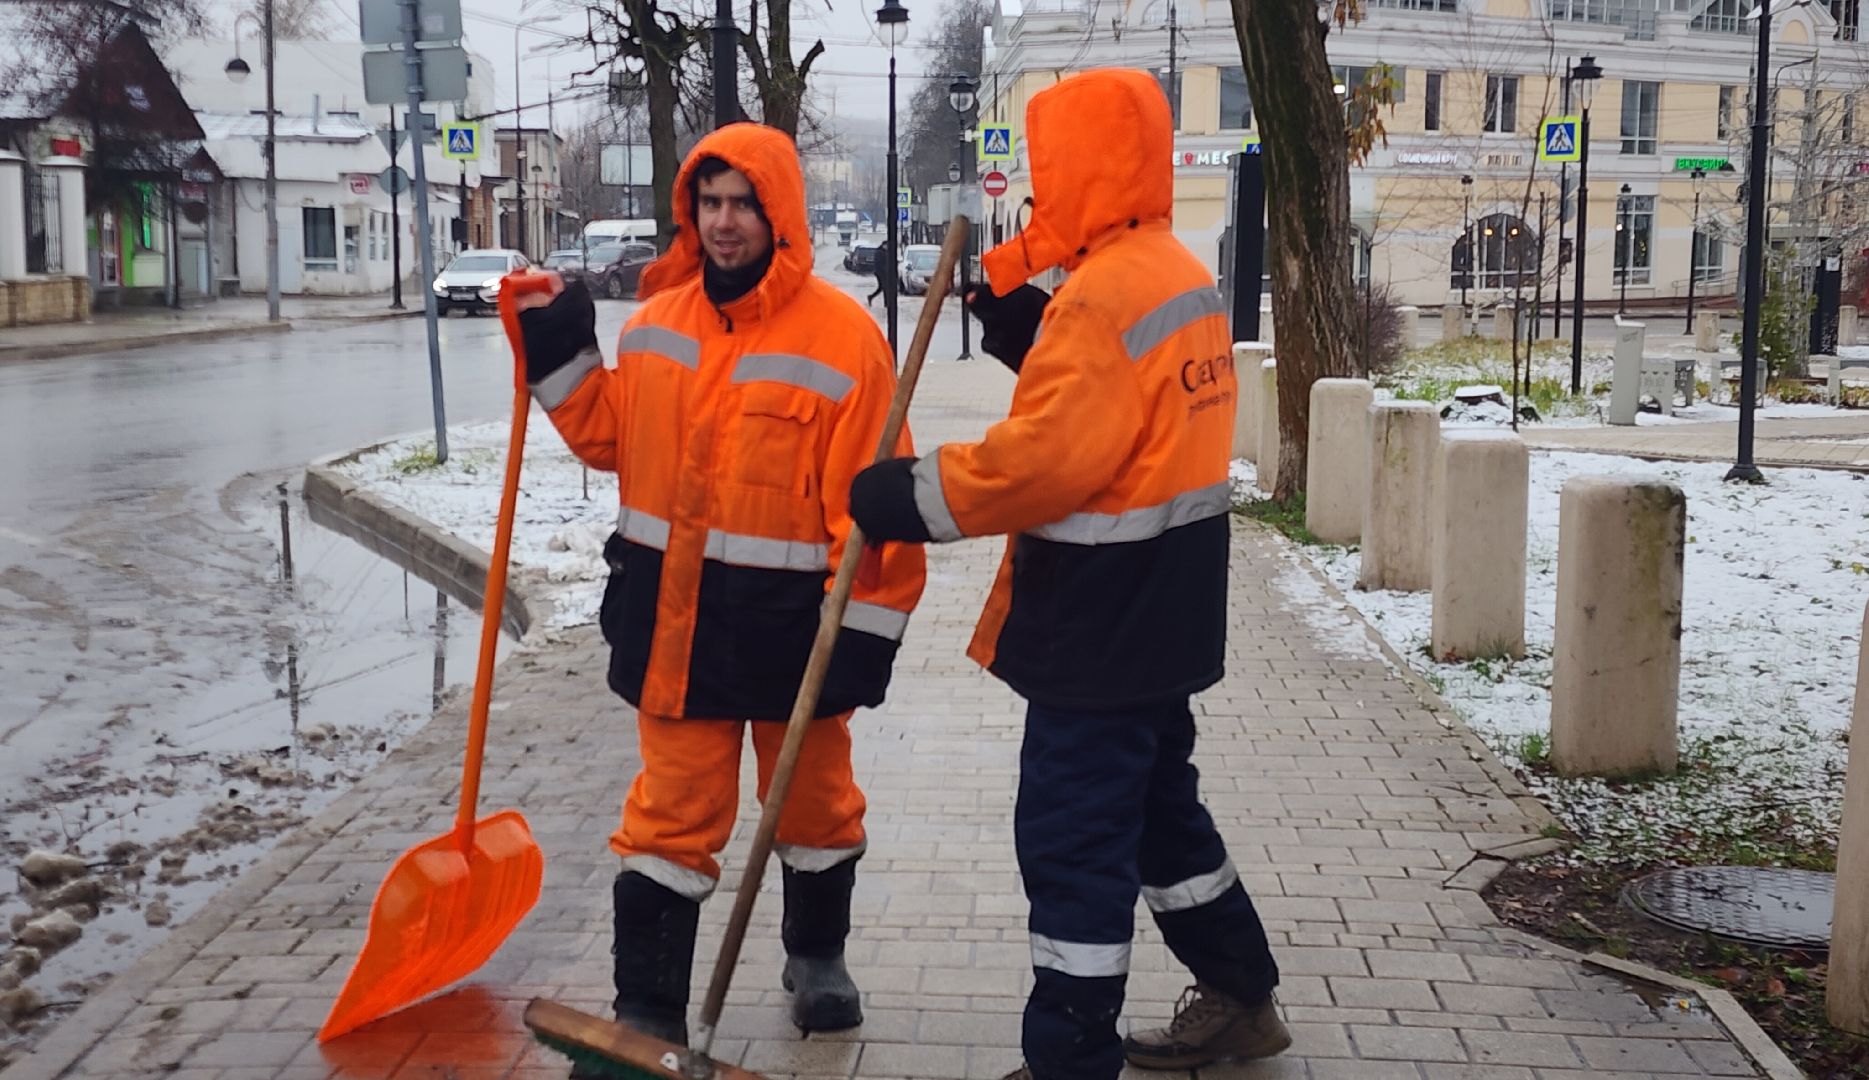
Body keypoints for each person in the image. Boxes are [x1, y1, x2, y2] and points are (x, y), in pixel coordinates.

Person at [846, 68, 1287, 1080]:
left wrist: (902, 495)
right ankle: (1243, 991)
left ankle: (1069, 1062)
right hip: (1165, 617)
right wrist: (1019, 299)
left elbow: (1045, 462)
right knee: (1161, 820)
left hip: (1100, 624)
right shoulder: (1173, 271)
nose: (1039, 193)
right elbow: (1114, 407)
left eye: (1049, 173)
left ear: (1082, 165)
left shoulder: (1101, 299)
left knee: (1072, 846)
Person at [513, 122, 926, 1050]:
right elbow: (608, 437)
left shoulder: (843, 339)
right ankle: (647, 1009)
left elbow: (875, 511)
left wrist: (863, 633)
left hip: (797, 633)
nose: (726, 222)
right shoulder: (656, 326)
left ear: (776, 212)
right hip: (675, 623)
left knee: (815, 807)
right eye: (710, 203)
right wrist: (557, 349)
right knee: (669, 817)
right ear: (689, 213)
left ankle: (816, 956)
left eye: (743, 203)